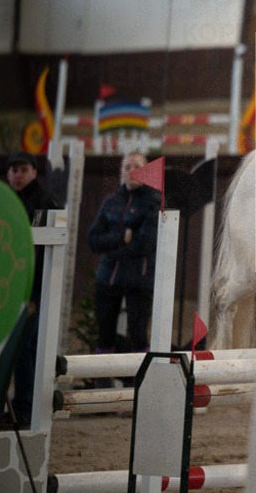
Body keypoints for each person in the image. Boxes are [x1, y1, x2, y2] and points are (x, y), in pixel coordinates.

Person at [86, 152, 160, 364]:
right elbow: (92, 239)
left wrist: (110, 248)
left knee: (138, 336)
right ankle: (102, 383)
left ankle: (141, 385)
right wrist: (122, 237)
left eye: (136, 166)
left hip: (139, 279)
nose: (131, 171)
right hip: (107, 278)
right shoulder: (111, 202)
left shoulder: (153, 201)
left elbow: (145, 243)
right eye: (127, 166)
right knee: (104, 335)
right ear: (121, 171)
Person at [5, 151, 59, 426]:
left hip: (35, 288)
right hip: (13, 288)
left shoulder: (44, 202)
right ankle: (18, 405)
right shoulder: (9, 203)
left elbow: (39, 251)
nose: (17, 175)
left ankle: (25, 407)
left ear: (34, 173)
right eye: (13, 170)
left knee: (25, 347)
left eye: (23, 170)